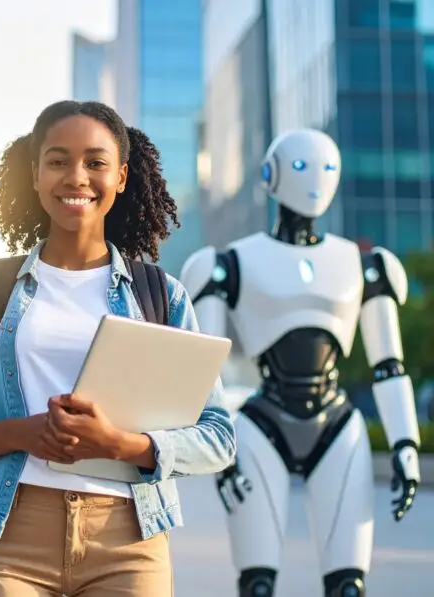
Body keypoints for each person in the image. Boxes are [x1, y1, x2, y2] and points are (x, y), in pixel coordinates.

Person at [0, 100, 236, 597]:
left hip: (128, 541)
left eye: (95, 162)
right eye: (58, 161)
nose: (76, 177)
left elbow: (218, 436)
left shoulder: (163, 296)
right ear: (36, 174)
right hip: (6, 534)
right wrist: (21, 433)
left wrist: (121, 445)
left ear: (123, 176)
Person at [180, 129, 421, 597]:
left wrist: (405, 443)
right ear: (271, 175)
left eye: (328, 167)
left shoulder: (364, 264)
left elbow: (389, 364)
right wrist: (219, 450)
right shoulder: (229, 263)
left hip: (336, 423)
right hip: (259, 425)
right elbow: (206, 366)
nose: (315, 179)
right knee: (257, 584)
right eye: (301, 166)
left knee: (348, 585)